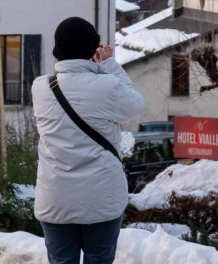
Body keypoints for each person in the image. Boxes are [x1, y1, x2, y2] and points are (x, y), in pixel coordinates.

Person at [33, 16, 145, 264]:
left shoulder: (41, 87)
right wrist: (109, 63)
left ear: (57, 49)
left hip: (55, 199)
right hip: (101, 199)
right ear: (91, 48)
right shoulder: (107, 86)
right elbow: (136, 105)